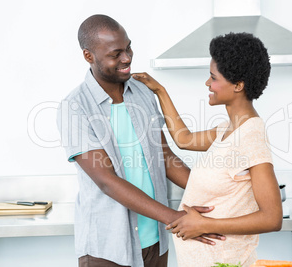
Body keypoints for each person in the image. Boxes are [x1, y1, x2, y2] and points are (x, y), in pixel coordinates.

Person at [56, 14, 224, 267]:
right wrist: (177, 218)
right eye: (116, 54)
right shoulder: (75, 107)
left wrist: (212, 196)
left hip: (156, 240)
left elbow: (165, 156)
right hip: (108, 249)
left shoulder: (143, 92)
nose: (127, 58)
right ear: (89, 56)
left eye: (129, 48)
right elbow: (107, 181)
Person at [132, 32, 283, 267]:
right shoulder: (228, 129)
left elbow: (272, 218)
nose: (207, 83)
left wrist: (205, 225)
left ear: (238, 85)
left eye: (213, 77)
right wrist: (160, 91)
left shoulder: (250, 136)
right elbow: (184, 139)